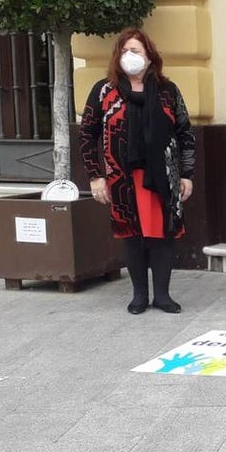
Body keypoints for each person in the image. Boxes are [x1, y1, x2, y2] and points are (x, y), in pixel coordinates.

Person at [79, 28, 195, 315]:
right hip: (121, 179)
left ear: (149, 56)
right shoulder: (104, 91)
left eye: (137, 51)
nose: (131, 56)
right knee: (132, 236)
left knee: (161, 235)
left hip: (162, 178)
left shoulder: (168, 91)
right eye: (125, 51)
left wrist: (186, 174)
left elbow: (185, 133)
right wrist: (95, 176)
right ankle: (139, 295)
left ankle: (164, 296)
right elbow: (86, 135)